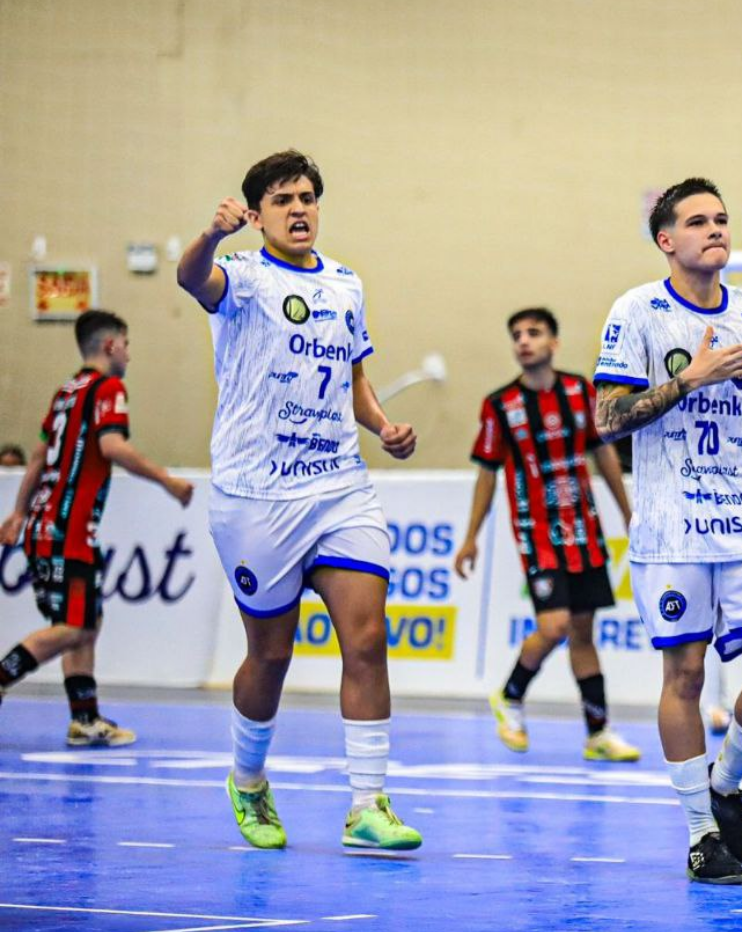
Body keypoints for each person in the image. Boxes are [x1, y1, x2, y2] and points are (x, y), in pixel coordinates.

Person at [176, 150, 421, 852]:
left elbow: (355, 377)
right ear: (256, 215)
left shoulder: (346, 284)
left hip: (339, 487)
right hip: (256, 497)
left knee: (368, 639)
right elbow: (192, 277)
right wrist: (209, 236)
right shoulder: (243, 278)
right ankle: (248, 780)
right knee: (272, 656)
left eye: (308, 196)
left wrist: (382, 427)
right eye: (283, 199)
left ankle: (368, 806)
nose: (300, 208)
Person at [593, 177, 742, 885]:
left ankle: (724, 786)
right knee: (685, 674)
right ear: (667, 240)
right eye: (698, 221)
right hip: (671, 524)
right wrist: (689, 379)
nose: (716, 229)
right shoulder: (637, 312)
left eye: (722, 219)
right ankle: (699, 835)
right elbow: (607, 417)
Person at [454, 307, 640, 762]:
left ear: (553, 343)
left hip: (584, 529)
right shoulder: (500, 405)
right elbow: (486, 473)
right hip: (538, 533)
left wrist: (629, 513)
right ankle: (510, 694)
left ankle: (597, 732)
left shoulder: (580, 391)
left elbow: (605, 456)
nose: (524, 341)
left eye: (533, 333)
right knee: (554, 625)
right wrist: (471, 536)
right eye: (516, 334)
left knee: (582, 632)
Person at [0, 311, 194, 746]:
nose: (129, 352)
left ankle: (84, 719)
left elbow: (37, 458)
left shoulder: (66, 393)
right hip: (67, 529)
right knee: (74, 628)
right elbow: (112, 446)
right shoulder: (108, 388)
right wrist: (168, 480)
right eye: (125, 343)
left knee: (85, 620)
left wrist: (18, 514)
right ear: (110, 346)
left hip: (47, 525)